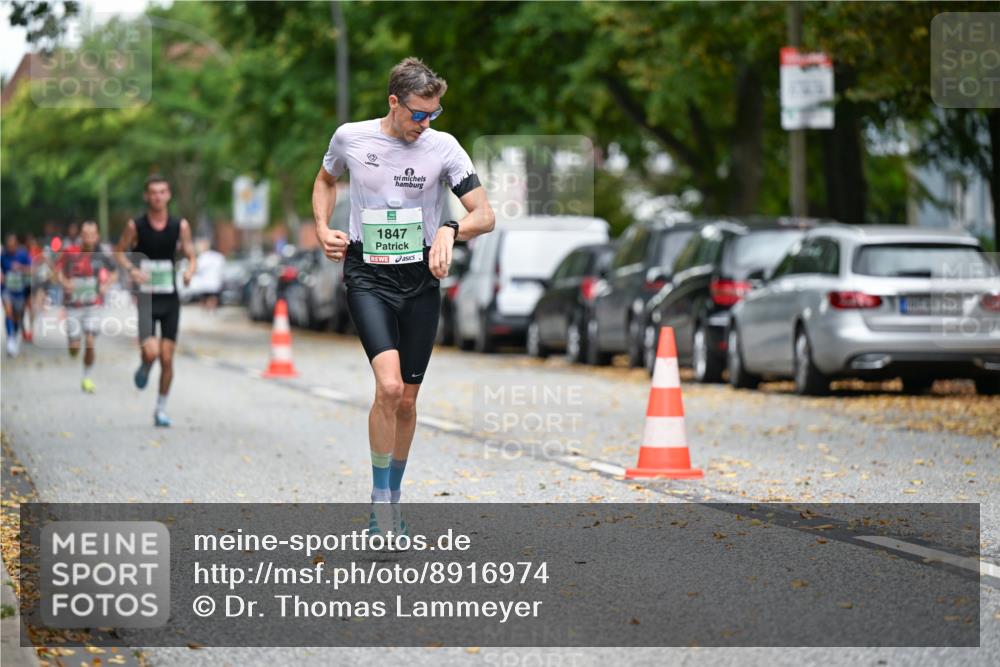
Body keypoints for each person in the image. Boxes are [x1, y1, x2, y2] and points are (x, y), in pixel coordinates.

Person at [312, 57, 495, 536]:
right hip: (367, 274)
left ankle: (394, 495)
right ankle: (379, 505)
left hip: (419, 280)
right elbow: (326, 179)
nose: (426, 123)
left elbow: (485, 214)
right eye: (418, 113)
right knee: (388, 387)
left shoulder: (444, 148)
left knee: (408, 401)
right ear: (394, 102)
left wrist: (451, 230)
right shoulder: (350, 138)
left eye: (433, 113)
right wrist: (321, 227)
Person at [115, 175, 196, 426]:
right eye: (153, 192)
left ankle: (161, 409)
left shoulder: (179, 226)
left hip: (170, 298)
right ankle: (145, 364)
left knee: (167, 357)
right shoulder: (135, 226)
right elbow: (119, 252)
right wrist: (132, 270)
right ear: (146, 196)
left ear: (168, 195)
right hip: (147, 298)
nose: (158, 196)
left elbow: (191, 255)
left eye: (162, 192)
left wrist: (189, 272)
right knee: (151, 352)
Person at [55, 221, 117, 393]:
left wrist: (107, 285)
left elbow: (114, 272)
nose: (89, 237)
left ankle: (87, 377)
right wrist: (65, 282)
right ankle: (73, 347)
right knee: (75, 347)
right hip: (73, 306)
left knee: (90, 341)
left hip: (93, 305)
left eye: (92, 234)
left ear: (97, 236)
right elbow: (57, 271)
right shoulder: (70, 252)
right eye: (85, 234)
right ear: (80, 236)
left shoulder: (101, 254)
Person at [1, 233, 32, 357]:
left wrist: (21, 268)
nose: (11, 248)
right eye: (9, 246)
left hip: (20, 291)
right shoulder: (3, 256)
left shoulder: (23, 255)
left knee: (18, 317)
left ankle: (15, 334)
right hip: (7, 290)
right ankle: (10, 339)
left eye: (13, 246)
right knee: (8, 312)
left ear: (17, 245)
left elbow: (32, 269)